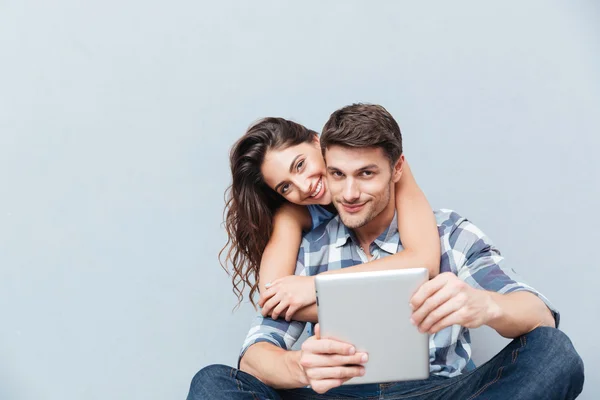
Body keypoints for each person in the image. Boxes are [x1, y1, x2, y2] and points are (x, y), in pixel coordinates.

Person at [189, 103, 585, 399]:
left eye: (366, 174)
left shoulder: (446, 232)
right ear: (327, 162)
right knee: (212, 381)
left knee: (554, 352)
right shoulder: (308, 242)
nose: (348, 193)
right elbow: (255, 353)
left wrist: (486, 306)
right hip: (340, 393)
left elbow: (539, 316)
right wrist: (299, 366)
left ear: (396, 170)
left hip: (436, 391)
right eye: (337, 174)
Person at [219, 113, 441, 326]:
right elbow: (273, 297)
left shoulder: (381, 166)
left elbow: (425, 259)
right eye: (285, 187)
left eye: (300, 165)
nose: (305, 187)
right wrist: (382, 306)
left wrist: (316, 286)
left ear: (317, 142)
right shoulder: (293, 214)